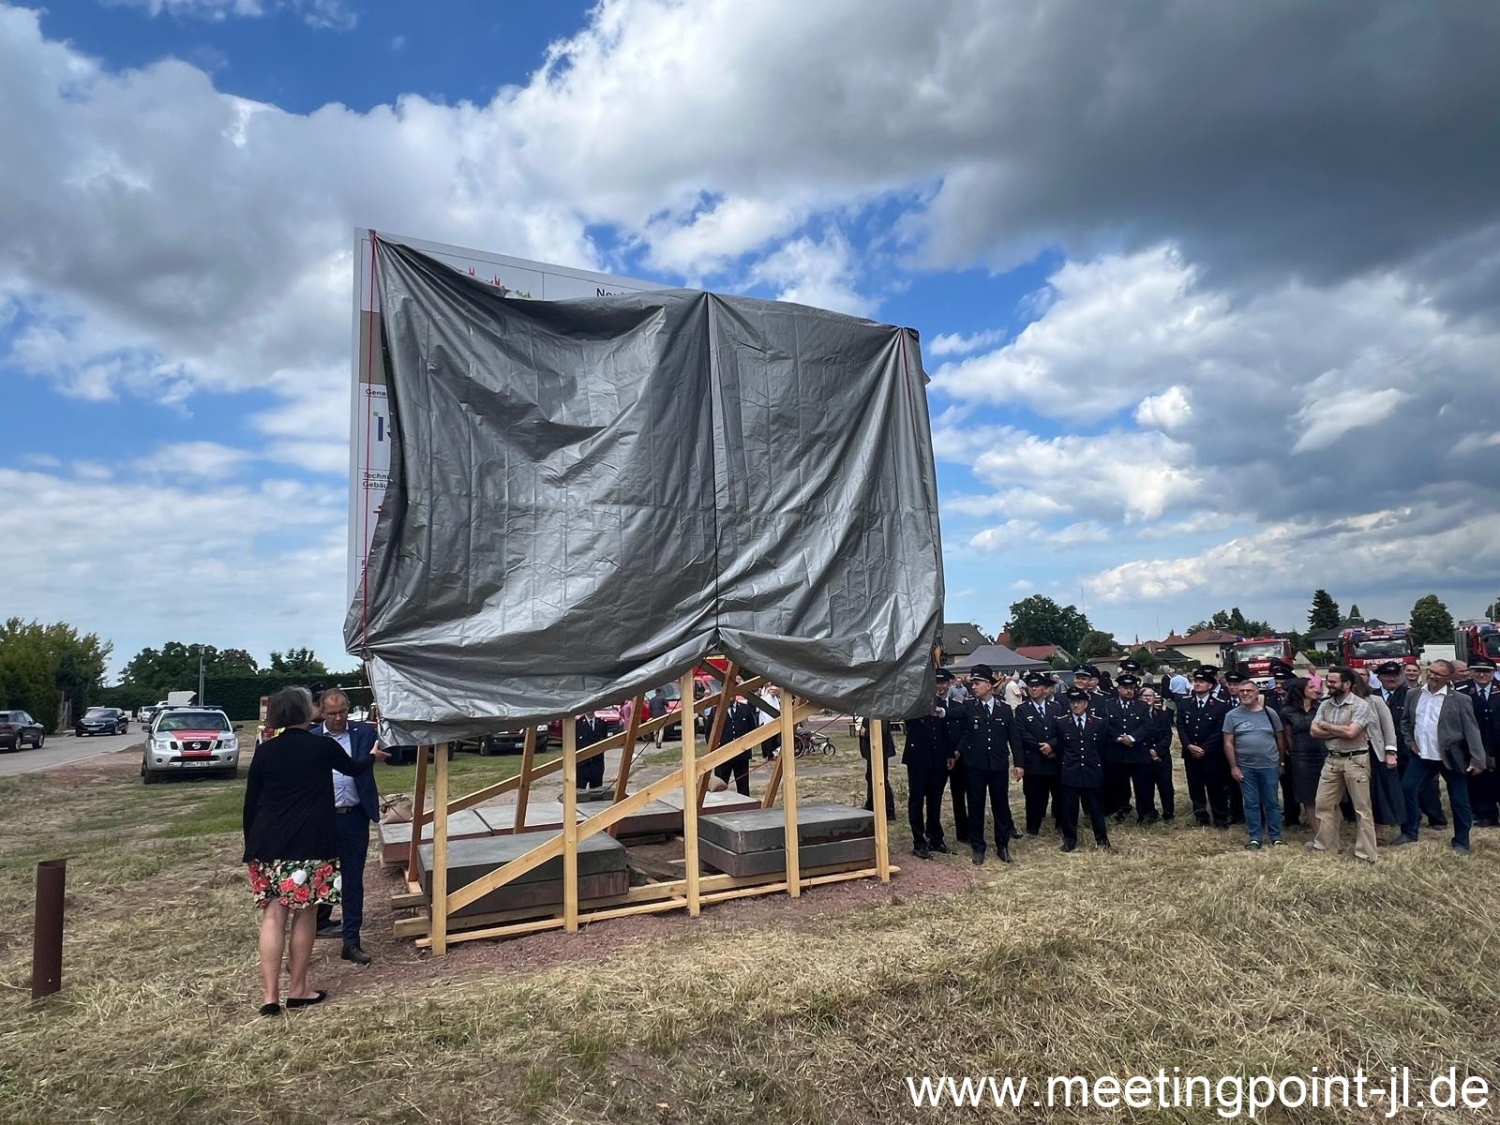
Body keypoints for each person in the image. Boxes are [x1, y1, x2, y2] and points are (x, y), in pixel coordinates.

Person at [244, 686, 386, 1015]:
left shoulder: (265, 751)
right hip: (308, 844)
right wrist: (373, 757)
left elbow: (251, 802)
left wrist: (251, 846)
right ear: (305, 711)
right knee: (305, 913)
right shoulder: (321, 746)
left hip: (267, 844)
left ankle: (269, 997)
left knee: (273, 915)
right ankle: (298, 989)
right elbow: (353, 767)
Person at [310, 688, 384, 965]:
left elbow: (393, 749)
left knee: (353, 879)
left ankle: (351, 940)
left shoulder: (363, 733)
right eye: (333, 713)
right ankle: (312, 933)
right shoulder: (312, 739)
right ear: (321, 712)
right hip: (323, 819)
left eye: (343, 711)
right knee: (320, 877)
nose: (339, 717)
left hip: (355, 816)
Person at [1392, 659, 1486, 854]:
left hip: (1451, 757)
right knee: (1408, 789)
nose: (1432, 676)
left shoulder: (1460, 699)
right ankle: (1409, 832)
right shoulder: (1413, 694)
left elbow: (1472, 730)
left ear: (1449, 678)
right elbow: (1405, 722)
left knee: (1459, 800)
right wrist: (1410, 742)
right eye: (1431, 671)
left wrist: (1478, 759)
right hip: (1421, 756)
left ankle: (1461, 841)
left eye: (1438, 674)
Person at [1310, 667, 1381, 863]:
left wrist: (1327, 726)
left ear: (1347, 684)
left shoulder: (1361, 705)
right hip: (1332, 759)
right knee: (1324, 804)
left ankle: (1365, 853)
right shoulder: (1325, 704)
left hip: (1356, 760)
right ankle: (1326, 846)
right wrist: (1340, 730)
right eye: (1328, 681)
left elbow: (1352, 733)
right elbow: (1314, 732)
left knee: (1362, 809)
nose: (1329, 685)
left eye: (1333, 682)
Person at [953, 664, 1020, 865]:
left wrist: (1019, 763)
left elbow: (1014, 738)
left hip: (998, 765)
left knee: (1001, 805)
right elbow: (949, 714)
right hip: (975, 765)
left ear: (989, 685)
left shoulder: (1004, 709)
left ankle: (1002, 845)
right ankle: (978, 847)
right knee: (976, 806)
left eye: (977, 683)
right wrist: (937, 710)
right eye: (972, 683)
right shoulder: (969, 707)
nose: (973, 686)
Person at [1222, 674, 1288, 850]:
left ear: (1257, 693)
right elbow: (1228, 742)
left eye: (1249, 691)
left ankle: (1276, 837)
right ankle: (1255, 838)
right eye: (1242, 691)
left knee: (1272, 802)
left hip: (1269, 765)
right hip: (1246, 767)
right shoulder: (1232, 716)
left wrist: (1281, 762)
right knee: (1251, 803)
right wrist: (1234, 767)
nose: (1245, 694)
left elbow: (1280, 738)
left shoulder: (1270, 713)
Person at [1377, 661, 1445, 829]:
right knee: (1391, 786)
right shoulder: (1372, 696)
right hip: (1382, 748)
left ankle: (1436, 818)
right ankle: (1401, 818)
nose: (1391, 679)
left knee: (1422, 786)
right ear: (1379, 678)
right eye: (1387, 675)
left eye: (1395, 675)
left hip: (1407, 748)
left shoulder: (1411, 694)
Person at [1176, 668, 1234, 827]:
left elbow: (1219, 730)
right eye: (1196, 681)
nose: (1197, 684)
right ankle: (1201, 816)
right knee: (1195, 786)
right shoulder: (1185, 703)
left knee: (1216, 786)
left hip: (1212, 755)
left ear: (1210, 685)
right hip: (1190, 753)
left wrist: (1204, 749)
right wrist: (1189, 745)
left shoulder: (1220, 705)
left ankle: (1220, 817)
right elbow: (1180, 726)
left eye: (1201, 682)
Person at [1056, 687, 1111, 852]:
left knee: (1096, 808)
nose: (1076, 705)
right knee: (1070, 809)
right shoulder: (1061, 723)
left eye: (1079, 702)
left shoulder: (1098, 723)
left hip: (1092, 770)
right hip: (1071, 771)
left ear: (1086, 704)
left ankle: (1102, 840)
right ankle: (1070, 840)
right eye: (1073, 702)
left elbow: (1102, 749)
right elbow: (1060, 749)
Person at [1349, 675, 1403, 840]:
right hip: (1352, 753)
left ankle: (1378, 832)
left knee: (1377, 794)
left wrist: (1390, 752)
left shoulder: (1375, 701)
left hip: (1374, 752)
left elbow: (1388, 728)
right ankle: (1363, 830)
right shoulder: (1341, 703)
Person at [903, 682, 953, 858]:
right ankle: (919, 841)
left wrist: (949, 753)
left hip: (937, 758)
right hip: (918, 759)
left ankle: (935, 837)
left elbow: (945, 730)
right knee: (917, 800)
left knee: (935, 800)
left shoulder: (939, 704)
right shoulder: (913, 703)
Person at [1014, 670, 1064, 836]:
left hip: (1054, 759)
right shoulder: (1022, 709)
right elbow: (1021, 733)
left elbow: (1063, 731)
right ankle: (1032, 828)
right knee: (1033, 796)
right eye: (1031, 686)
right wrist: (1041, 747)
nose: (1034, 689)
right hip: (1034, 760)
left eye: (1037, 686)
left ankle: (1061, 825)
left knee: (1059, 795)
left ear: (1045, 689)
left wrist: (1051, 745)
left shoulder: (1056, 708)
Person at [1104, 674, 1156, 823]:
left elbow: (1147, 726)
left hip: (1137, 752)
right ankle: (1120, 811)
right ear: (1118, 688)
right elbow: (1105, 725)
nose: (1128, 691)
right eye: (1125, 688)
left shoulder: (1142, 706)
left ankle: (1145, 814)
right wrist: (1119, 738)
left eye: (1131, 688)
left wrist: (1132, 738)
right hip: (1117, 752)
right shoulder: (1108, 705)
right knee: (1119, 784)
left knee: (1142, 785)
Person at [1458, 656, 1500, 826]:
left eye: (1486, 671)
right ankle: (1484, 814)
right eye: (1477, 671)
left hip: (1497, 741)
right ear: (1470, 672)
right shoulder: (1460, 690)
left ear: (1494, 673)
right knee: (1478, 779)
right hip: (1472, 742)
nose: (1482, 675)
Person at [1283, 678, 1328, 835]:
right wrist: (1294, 753)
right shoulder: (1288, 712)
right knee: (1308, 797)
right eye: (1311, 687)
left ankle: (1330, 831)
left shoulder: (1322, 707)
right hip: (1301, 758)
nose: (1316, 689)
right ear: (1300, 690)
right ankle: (1319, 835)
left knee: (1327, 796)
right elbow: (1288, 737)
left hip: (1323, 754)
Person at [938, 670, 970, 843]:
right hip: (938, 758)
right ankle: (935, 835)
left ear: (949, 684)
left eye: (943, 683)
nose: (940, 686)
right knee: (935, 797)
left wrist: (958, 751)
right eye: (937, 683)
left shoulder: (958, 705)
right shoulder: (929, 706)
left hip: (958, 758)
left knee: (959, 795)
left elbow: (966, 732)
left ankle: (963, 833)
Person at [1140, 686, 1176, 821]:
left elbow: (1167, 735)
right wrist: (1149, 752)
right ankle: (1149, 813)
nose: (1148, 698)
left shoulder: (1162, 714)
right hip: (1144, 757)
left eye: (1150, 696)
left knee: (1166, 786)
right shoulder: (1136, 715)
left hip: (1162, 757)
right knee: (1145, 787)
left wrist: (1157, 751)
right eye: (1145, 696)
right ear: (1140, 698)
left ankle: (1168, 813)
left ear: (1154, 698)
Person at [716, 695, 759, 795]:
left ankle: (745, 803)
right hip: (723, 754)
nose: (730, 697)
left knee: (743, 784)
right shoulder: (717, 710)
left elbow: (752, 728)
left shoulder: (745, 709)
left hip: (741, 755)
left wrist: (747, 746)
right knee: (720, 783)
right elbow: (709, 732)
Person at [856, 716, 896, 817]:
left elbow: (882, 730)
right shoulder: (870, 711)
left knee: (881, 779)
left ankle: (889, 809)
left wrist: (866, 732)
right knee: (870, 776)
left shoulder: (879, 711)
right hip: (873, 750)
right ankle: (871, 804)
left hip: (880, 749)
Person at [576, 711, 611, 789]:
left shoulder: (602, 723)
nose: (590, 710)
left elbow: (604, 743)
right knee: (579, 792)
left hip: (597, 765)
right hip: (582, 766)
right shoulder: (577, 724)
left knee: (596, 791)